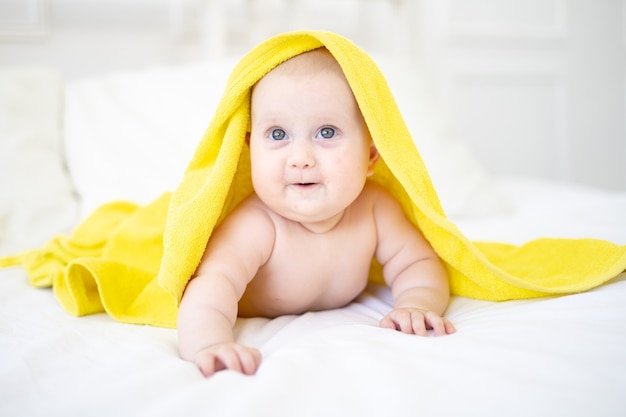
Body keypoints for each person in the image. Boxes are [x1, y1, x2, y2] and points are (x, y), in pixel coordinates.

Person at [177, 48, 456, 377]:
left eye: (327, 132)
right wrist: (209, 343)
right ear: (250, 149)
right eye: (278, 134)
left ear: (370, 155)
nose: (301, 158)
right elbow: (212, 285)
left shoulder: (374, 208)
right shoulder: (256, 224)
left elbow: (418, 263)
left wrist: (416, 304)